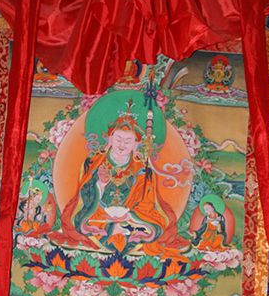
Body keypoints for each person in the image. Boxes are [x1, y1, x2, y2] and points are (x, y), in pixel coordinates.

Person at [59, 107, 183, 254]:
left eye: (128, 141)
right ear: (110, 139)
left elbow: (147, 202)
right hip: (98, 214)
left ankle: (120, 230)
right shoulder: (94, 162)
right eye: (118, 139)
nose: (122, 145)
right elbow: (84, 195)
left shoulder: (143, 170)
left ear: (136, 144)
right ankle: (115, 230)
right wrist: (100, 185)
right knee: (79, 222)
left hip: (131, 217)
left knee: (159, 226)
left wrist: (130, 215)